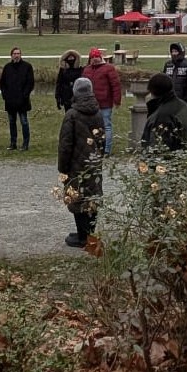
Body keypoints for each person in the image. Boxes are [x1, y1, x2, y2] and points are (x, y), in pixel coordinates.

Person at [57, 77, 105, 249]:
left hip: (76, 164)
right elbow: (102, 139)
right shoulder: (98, 113)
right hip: (93, 162)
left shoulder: (72, 115)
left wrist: (63, 168)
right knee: (92, 195)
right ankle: (90, 234)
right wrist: (99, 158)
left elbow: (65, 145)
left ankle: (83, 237)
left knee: (77, 198)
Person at [140, 72, 187, 152]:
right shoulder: (183, 105)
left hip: (167, 157)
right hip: (181, 154)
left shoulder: (163, 115)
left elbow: (159, 147)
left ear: (153, 91)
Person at [85, 48, 122, 155]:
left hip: (105, 103)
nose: (95, 59)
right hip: (91, 104)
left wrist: (117, 100)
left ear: (100, 57)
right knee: (92, 127)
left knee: (106, 126)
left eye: (96, 57)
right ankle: (94, 148)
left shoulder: (108, 68)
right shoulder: (87, 70)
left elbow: (115, 85)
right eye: (92, 57)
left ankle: (106, 149)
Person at [0, 47, 35, 151]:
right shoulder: (7, 67)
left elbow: (30, 83)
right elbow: (3, 83)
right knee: (12, 122)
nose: (16, 55)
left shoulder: (27, 66)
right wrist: (5, 96)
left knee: (24, 122)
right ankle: (13, 143)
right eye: (14, 53)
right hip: (10, 100)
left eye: (18, 53)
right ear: (11, 55)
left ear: (20, 55)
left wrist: (25, 95)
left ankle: (25, 144)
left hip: (22, 101)